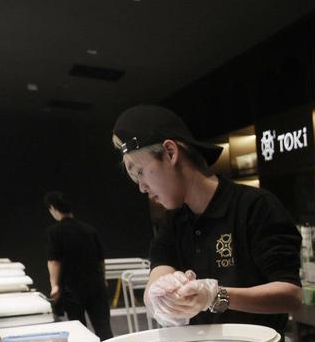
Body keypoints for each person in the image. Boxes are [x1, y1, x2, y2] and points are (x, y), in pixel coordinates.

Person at [110, 105, 303, 329]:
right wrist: (160, 294)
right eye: (135, 178)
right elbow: (159, 270)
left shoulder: (254, 206)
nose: (142, 187)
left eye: (140, 172)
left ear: (171, 153)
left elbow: (291, 295)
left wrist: (215, 296)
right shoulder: (175, 221)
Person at [43, 191, 113, 340]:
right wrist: (103, 278)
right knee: (104, 328)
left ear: (53, 208)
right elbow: (100, 259)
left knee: (79, 329)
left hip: (72, 288)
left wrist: (54, 285)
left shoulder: (54, 232)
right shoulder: (89, 230)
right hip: (96, 285)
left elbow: (54, 261)